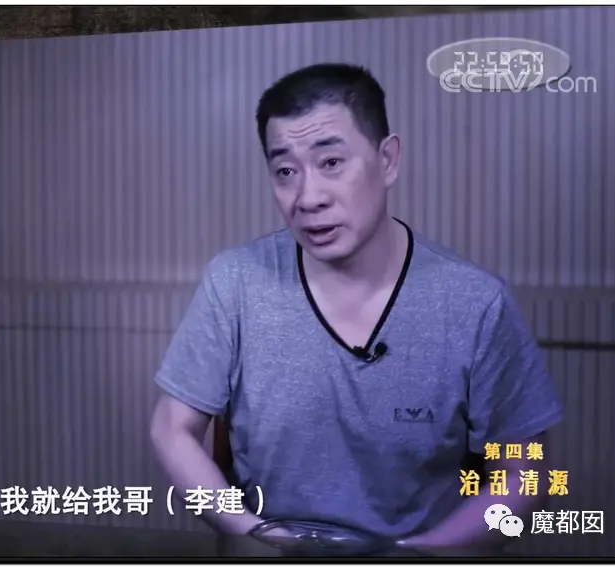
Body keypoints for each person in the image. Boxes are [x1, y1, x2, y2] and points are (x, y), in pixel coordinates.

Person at [148, 63, 564, 550]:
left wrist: (418, 555)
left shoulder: (475, 304)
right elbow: (171, 428)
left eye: (331, 162)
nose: (308, 198)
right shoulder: (235, 282)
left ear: (388, 160)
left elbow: (527, 473)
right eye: (285, 171)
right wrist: (262, 538)